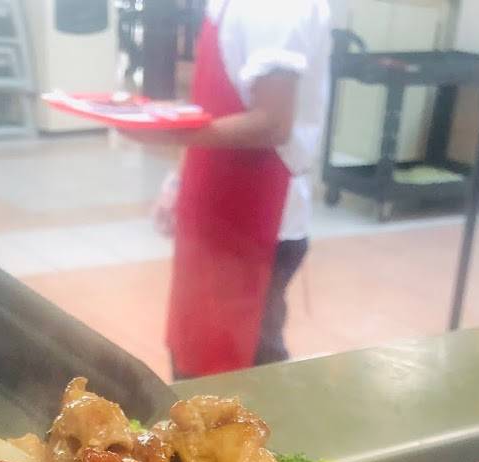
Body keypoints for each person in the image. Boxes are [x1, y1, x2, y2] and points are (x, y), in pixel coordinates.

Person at [134, 0, 335, 379]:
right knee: (195, 352)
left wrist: (168, 132)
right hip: (214, 204)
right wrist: (180, 180)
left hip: (258, 217)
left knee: (243, 372)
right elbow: (215, 103)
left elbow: (273, 124)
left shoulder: (275, 8)